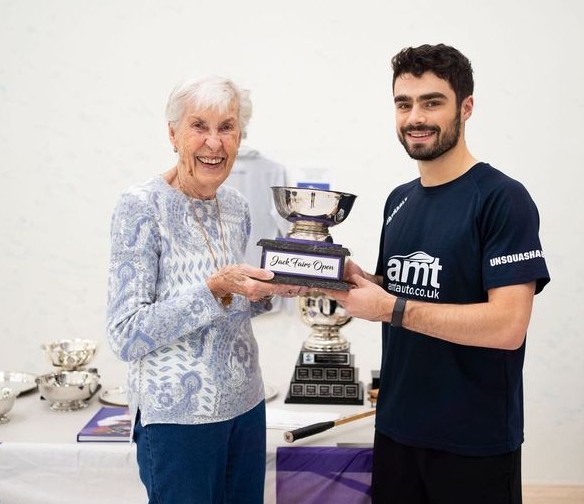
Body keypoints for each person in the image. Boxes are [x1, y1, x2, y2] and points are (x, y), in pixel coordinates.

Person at [323, 44, 550, 504]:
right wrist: (361, 281)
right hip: (396, 432)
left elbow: (508, 326)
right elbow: (410, 291)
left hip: (473, 444)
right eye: (403, 104)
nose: (415, 117)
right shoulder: (398, 200)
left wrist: (389, 307)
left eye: (432, 102)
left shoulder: (502, 199)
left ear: (465, 107)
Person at [106, 75, 305, 504]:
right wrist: (212, 290)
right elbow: (126, 332)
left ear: (240, 138)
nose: (214, 143)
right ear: (173, 135)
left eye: (227, 127)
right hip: (178, 423)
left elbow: (232, 306)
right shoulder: (140, 206)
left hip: (246, 408)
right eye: (200, 126)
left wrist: (271, 290)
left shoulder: (234, 205)